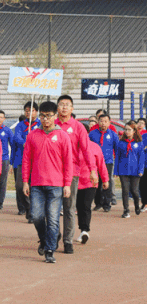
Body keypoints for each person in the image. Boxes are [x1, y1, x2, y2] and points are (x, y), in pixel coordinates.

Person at [22, 101, 73, 264]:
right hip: (36, 184)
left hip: (56, 185)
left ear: (55, 116)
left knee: (52, 219)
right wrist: (25, 181)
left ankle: (50, 250)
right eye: (42, 116)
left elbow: (68, 162)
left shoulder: (62, 136)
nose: (45, 119)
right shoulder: (33, 135)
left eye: (49, 116)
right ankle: (45, 239)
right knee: (36, 216)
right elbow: (26, 160)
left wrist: (67, 184)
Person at [54, 95, 95, 255]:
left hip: (71, 173)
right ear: (57, 107)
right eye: (61, 104)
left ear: (72, 108)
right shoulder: (51, 125)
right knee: (51, 208)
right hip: (52, 172)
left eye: (67, 105)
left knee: (69, 208)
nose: (64, 107)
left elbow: (86, 150)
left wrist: (92, 170)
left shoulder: (78, 127)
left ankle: (67, 241)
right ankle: (53, 235)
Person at [76, 124, 109, 245]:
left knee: (85, 206)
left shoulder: (95, 147)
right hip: (74, 181)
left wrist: (105, 179)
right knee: (78, 206)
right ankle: (80, 228)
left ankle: (85, 230)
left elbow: (101, 164)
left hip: (90, 181)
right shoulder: (72, 146)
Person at [12, 101, 40, 222]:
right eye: (27, 111)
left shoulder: (40, 124)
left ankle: (33, 212)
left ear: (36, 112)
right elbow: (17, 137)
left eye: (32, 110)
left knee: (35, 188)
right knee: (19, 186)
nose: (29, 113)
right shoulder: (21, 125)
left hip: (37, 161)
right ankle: (27, 208)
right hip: (22, 160)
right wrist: (25, 142)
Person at [114, 121, 144, 219]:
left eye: (129, 130)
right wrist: (116, 171)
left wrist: (141, 170)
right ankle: (126, 210)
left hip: (135, 170)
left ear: (134, 131)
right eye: (125, 129)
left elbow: (141, 158)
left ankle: (136, 205)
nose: (127, 131)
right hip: (123, 170)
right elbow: (117, 157)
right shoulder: (121, 143)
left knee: (134, 191)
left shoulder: (139, 143)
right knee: (125, 190)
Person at [89, 114, 118, 212]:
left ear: (109, 123)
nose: (103, 123)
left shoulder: (113, 134)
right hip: (95, 162)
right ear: (98, 122)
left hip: (107, 162)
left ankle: (107, 204)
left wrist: (116, 164)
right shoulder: (92, 134)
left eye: (106, 121)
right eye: (101, 121)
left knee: (107, 182)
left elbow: (117, 149)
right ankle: (98, 203)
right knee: (96, 183)